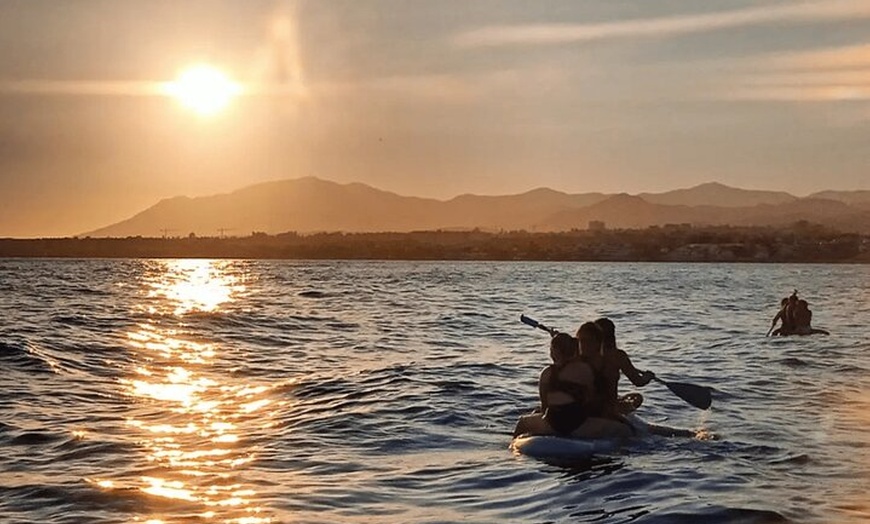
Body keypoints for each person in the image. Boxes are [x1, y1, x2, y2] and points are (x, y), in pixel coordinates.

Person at [513, 331, 632, 440]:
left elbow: (545, 406)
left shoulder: (546, 373)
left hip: (552, 422)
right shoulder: (583, 369)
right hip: (577, 424)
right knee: (624, 430)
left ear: (553, 352)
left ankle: (512, 448)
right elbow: (590, 399)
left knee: (522, 422)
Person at [594, 317, 655, 418]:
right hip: (609, 406)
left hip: (592, 403)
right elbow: (638, 382)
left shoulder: (586, 354)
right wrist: (648, 376)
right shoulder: (618, 356)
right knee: (638, 398)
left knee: (635, 397)